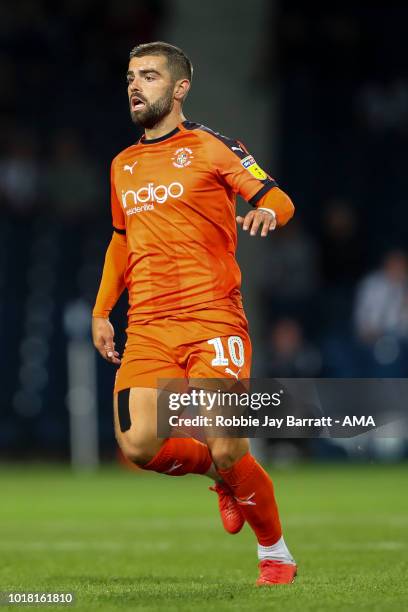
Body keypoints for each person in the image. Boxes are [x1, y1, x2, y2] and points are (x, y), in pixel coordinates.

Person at [92, 41, 296, 586]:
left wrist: (265, 215)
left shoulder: (211, 146)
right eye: (131, 76)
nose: (136, 85)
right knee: (137, 445)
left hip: (213, 317)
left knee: (229, 443)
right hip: (149, 325)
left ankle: (276, 554)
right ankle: (221, 477)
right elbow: (119, 243)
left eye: (150, 76)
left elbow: (278, 199)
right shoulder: (123, 165)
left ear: (179, 88)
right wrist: (101, 311)